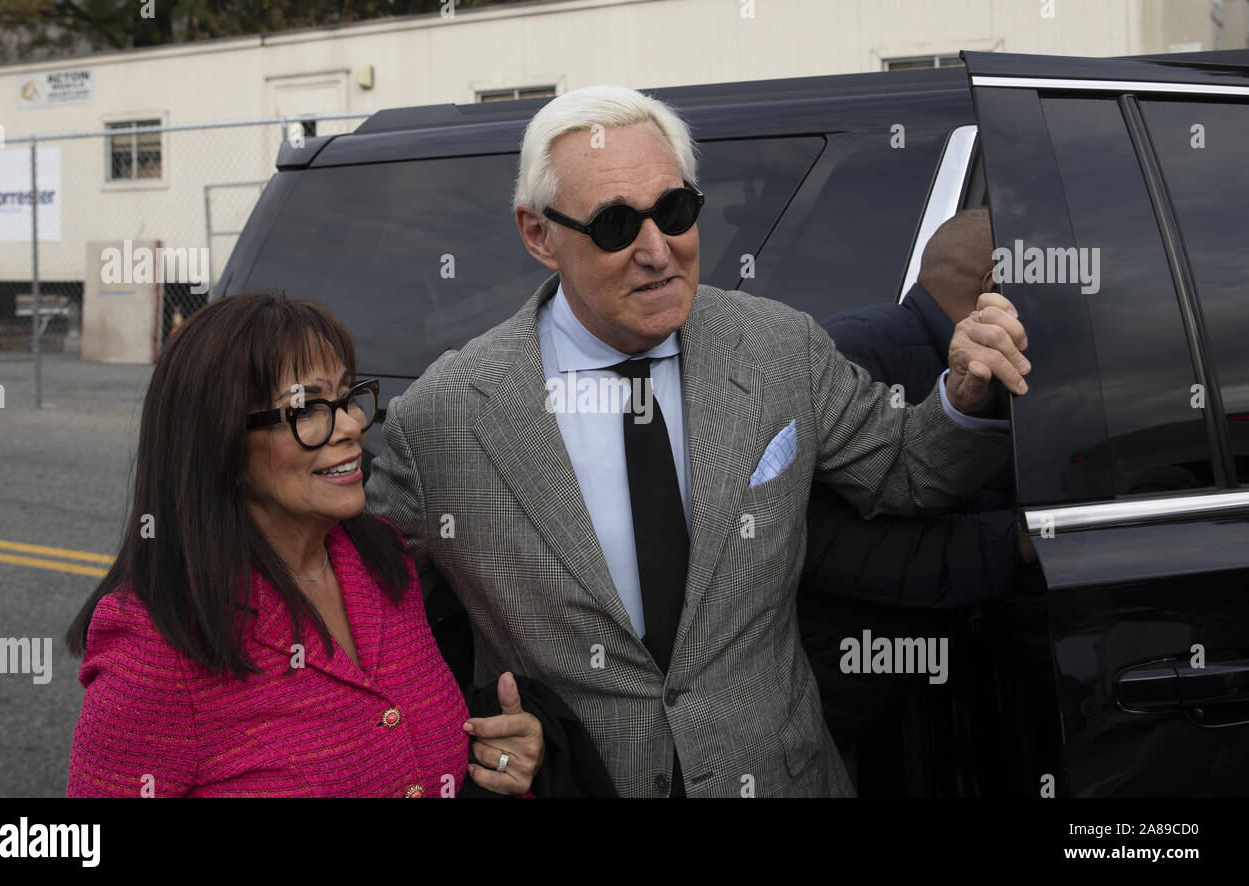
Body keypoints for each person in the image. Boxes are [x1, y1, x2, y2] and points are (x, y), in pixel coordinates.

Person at [365, 86, 1031, 797]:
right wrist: (459, 728)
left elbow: (906, 469)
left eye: (675, 212)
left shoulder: (778, 347)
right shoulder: (445, 416)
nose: (658, 251)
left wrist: (962, 395)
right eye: (617, 224)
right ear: (538, 234)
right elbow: (370, 618)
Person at [65, 291, 545, 797]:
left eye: (346, 397)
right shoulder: (160, 642)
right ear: (219, 440)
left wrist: (500, 760)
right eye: (309, 408)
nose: (353, 425)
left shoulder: (381, 561)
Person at [797, 208, 1045, 788]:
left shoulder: (951, 358)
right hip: (848, 718)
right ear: (995, 286)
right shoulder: (858, 349)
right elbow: (817, 541)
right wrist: (1014, 546)